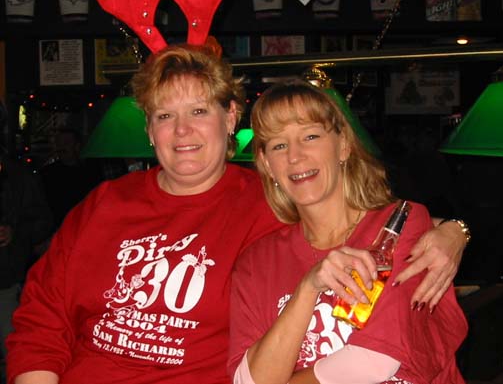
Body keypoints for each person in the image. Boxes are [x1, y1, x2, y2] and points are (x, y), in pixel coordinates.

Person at [6, 44, 467, 384]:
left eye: (199, 110)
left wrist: (453, 231)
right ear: (148, 129)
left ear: (230, 119)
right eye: (164, 116)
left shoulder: (269, 202)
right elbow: (42, 322)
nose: (182, 130)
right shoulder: (104, 204)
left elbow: (354, 219)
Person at [228, 80, 467, 384]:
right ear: (266, 164)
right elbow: (247, 381)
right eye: (278, 145)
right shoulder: (256, 262)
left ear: (343, 146)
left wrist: (458, 229)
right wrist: (308, 288)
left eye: (310, 136)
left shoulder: (398, 223)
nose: (295, 156)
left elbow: (374, 361)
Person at [0, 152, 54, 383]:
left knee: (13, 352)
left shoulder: (18, 176)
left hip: (5, 280)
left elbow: (42, 222)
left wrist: (15, 231)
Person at [39, 128, 104, 231]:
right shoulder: (47, 174)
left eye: (66, 143)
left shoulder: (90, 172)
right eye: (59, 143)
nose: (61, 147)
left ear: (77, 146)